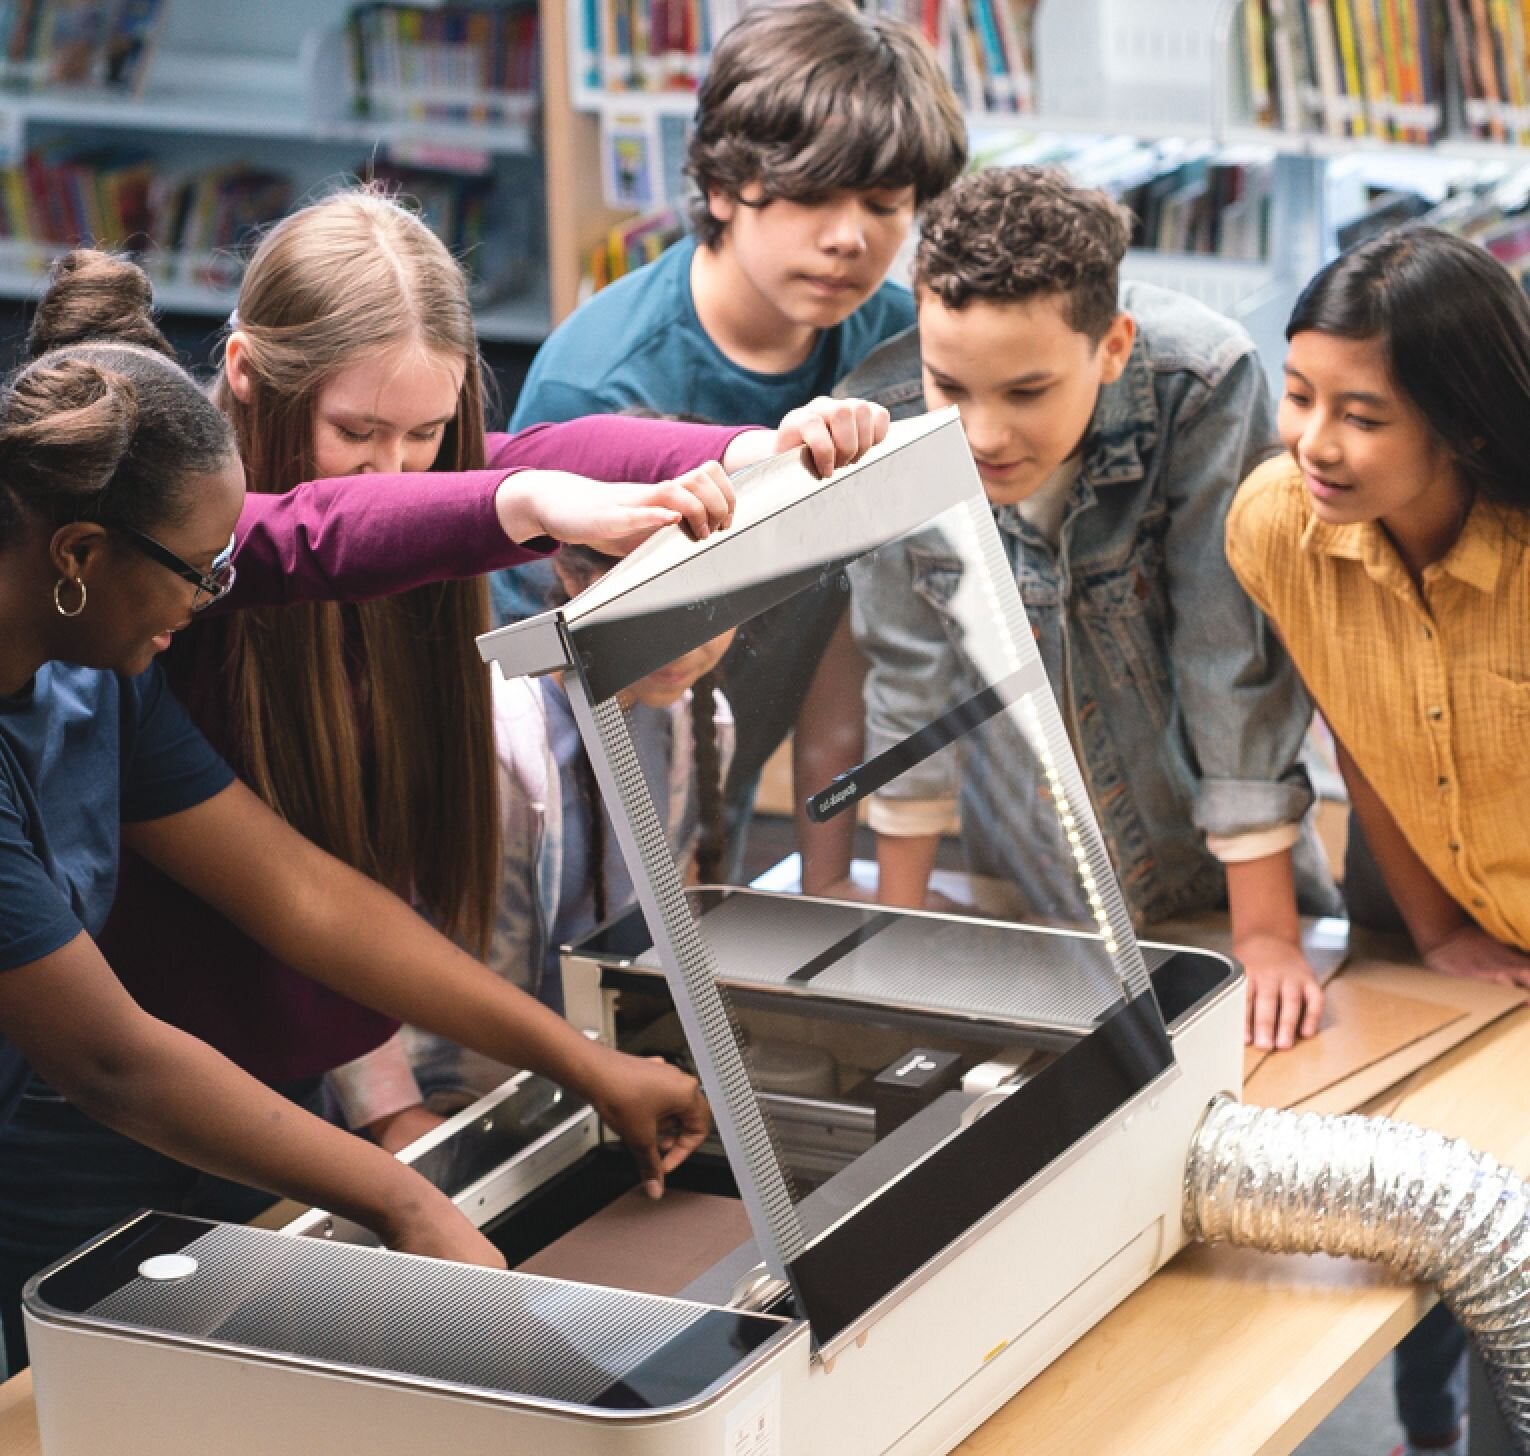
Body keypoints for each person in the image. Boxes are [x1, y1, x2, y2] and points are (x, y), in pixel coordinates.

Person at [0, 220, 883, 1366]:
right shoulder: (184, 582)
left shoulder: (106, 665)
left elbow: (304, 897)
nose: (212, 594)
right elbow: (115, 1060)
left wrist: (761, 448)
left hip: (254, 1110)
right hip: (88, 1132)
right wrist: (402, 1197)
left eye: (424, 435)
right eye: (358, 431)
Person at [836, 165, 1339, 1050]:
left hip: (1218, 882)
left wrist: (1263, 937)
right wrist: (898, 931)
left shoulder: (1201, 383)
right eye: (950, 387)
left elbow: (1231, 662)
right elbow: (909, 678)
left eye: (1026, 392)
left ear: (1111, 346)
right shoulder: (878, 417)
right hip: (1030, 890)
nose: (981, 434)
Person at [503, 0, 966, 892]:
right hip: (565, 821)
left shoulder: (900, 347)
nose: (849, 237)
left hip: (731, 806)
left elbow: (856, 628)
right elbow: (543, 695)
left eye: (883, 203)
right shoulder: (598, 390)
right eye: (814, 194)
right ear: (722, 187)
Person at [1226, 224, 1530, 1456]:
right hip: (1420, 893)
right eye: (1298, 396)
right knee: (1419, 1204)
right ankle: (1423, 1430)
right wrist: (1439, 925)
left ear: (1458, 423)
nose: (1314, 442)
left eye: (1362, 414)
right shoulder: (1273, 524)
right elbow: (1360, 728)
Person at [408, 544, 736, 1105]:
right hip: (451, 1092)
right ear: (569, 573)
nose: (680, 641)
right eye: (653, 602)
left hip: (590, 1080)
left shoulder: (699, 724)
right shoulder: (495, 737)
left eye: (708, 606)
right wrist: (391, 1110)